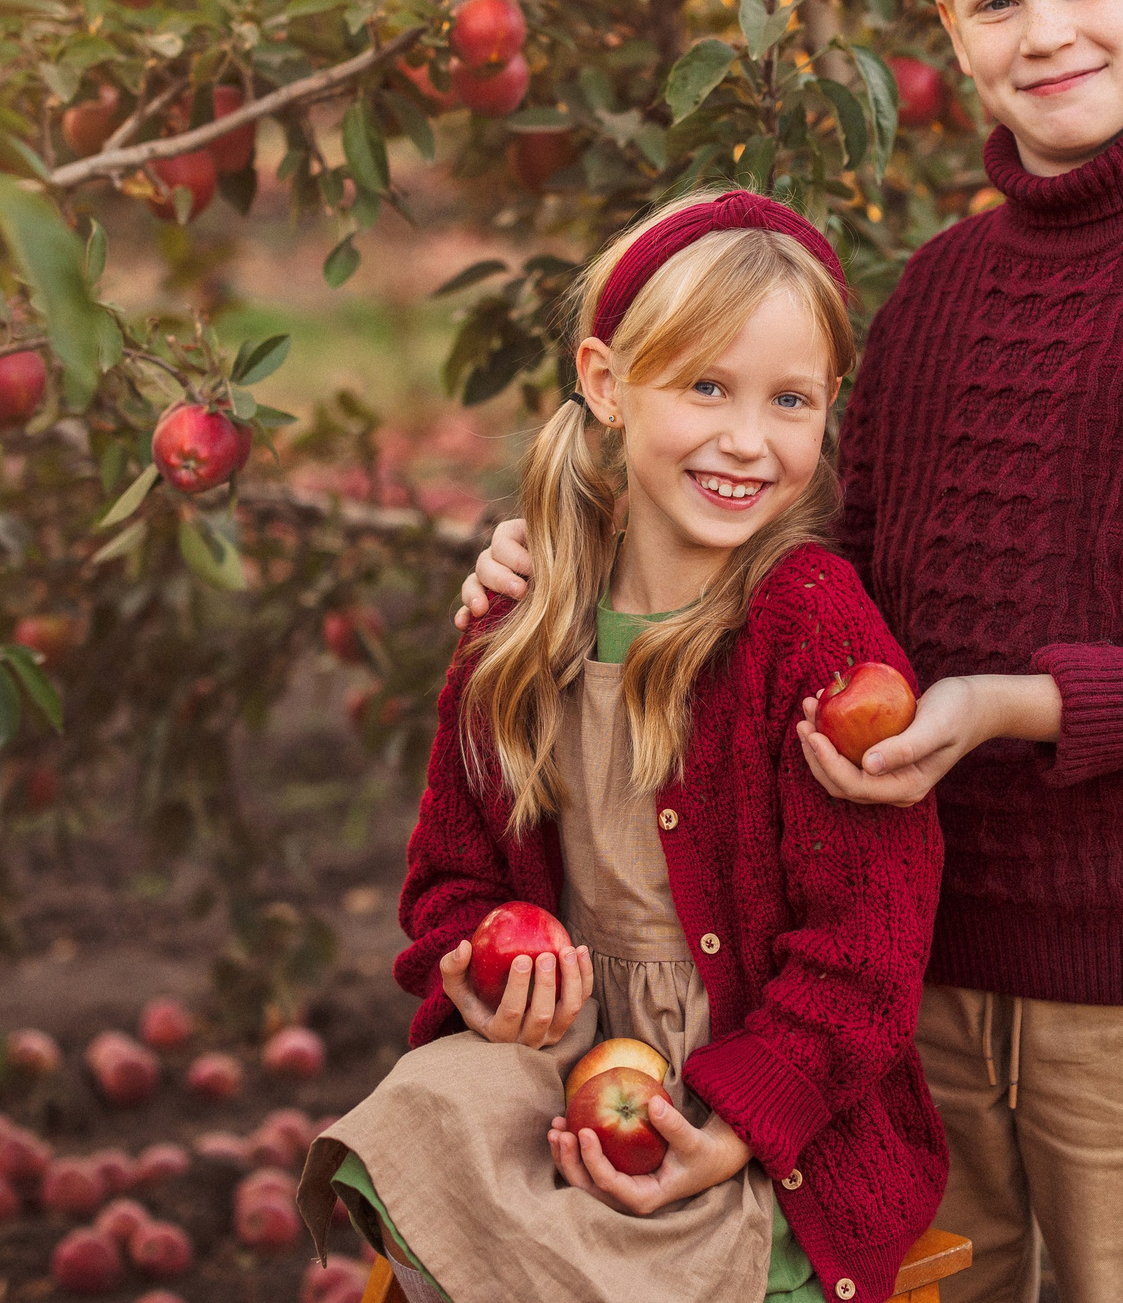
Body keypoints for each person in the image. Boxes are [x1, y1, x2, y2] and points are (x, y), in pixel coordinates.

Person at [457, 0, 1123, 1303]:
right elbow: (811, 562)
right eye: (1000, 0)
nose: (1050, 32)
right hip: (915, 960)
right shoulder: (938, 295)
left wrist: (1011, 705)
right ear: (950, 31)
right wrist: (563, 557)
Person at [301, 189, 948, 1303]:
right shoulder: (525, 614)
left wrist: (744, 1120)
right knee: (419, 1119)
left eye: (790, 400)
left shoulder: (811, 624)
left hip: (757, 1086)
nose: (748, 439)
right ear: (605, 383)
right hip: (563, 1062)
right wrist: (485, 976)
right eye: (707, 386)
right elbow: (450, 883)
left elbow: (868, 943)